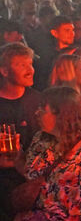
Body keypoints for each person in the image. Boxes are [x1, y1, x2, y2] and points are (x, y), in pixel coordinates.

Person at [17, 86, 81, 221]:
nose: (37, 112)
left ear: (61, 115)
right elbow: (31, 177)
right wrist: (16, 160)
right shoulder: (40, 139)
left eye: (43, 108)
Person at [0, 43, 43, 219]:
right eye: (21, 65)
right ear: (4, 71)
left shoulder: (39, 101)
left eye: (30, 64)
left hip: (33, 187)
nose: (30, 70)